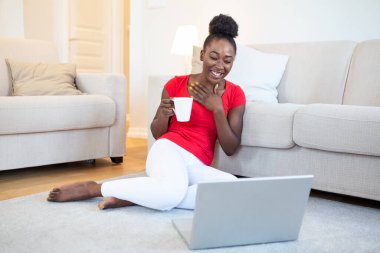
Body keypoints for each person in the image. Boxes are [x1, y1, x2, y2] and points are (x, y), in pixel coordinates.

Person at [47, 14, 246, 211]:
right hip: (168, 150)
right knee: (171, 193)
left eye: (227, 61)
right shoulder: (175, 84)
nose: (220, 66)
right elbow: (158, 134)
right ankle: (95, 188)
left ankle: (136, 196)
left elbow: (230, 148)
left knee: (232, 189)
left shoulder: (235, 94)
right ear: (202, 55)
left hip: (197, 164)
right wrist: (163, 114)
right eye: (213, 57)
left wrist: (218, 109)